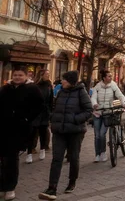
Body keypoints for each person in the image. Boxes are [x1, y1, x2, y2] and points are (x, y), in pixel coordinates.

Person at [39, 71, 93, 200]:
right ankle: (52, 188)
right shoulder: (61, 92)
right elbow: (53, 107)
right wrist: (53, 117)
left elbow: (89, 111)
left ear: (71, 81)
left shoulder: (81, 92)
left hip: (75, 131)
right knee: (56, 158)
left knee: (73, 157)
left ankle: (72, 181)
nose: (61, 81)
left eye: (64, 80)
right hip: (59, 131)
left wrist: (75, 119)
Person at [0, 67, 43, 201]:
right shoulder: (6, 89)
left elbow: (39, 106)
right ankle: (2, 186)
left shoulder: (32, 89)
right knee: (2, 159)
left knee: (12, 159)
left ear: (26, 76)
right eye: (15, 75)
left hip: (18, 129)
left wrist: (27, 119)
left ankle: (10, 188)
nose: (17, 77)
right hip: (2, 128)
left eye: (20, 75)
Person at [90, 70, 125, 163]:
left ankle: (103, 153)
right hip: (98, 113)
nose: (111, 78)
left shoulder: (113, 85)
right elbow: (93, 97)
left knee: (102, 134)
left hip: (108, 113)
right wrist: (94, 104)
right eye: (109, 76)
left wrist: (124, 102)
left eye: (111, 76)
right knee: (97, 135)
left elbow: (120, 95)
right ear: (104, 78)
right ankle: (97, 155)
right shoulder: (97, 87)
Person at [27, 69, 54, 164]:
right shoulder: (34, 86)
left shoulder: (49, 86)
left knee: (43, 132)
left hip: (45, 112)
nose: (48, 75)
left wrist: (50, 112)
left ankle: (42, 149)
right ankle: (29, 153)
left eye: (48, 74)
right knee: (32, 133)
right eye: (46, 74)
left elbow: (51, 101)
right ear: (41, 75)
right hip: (35, 112)